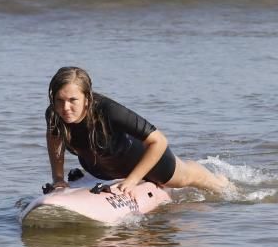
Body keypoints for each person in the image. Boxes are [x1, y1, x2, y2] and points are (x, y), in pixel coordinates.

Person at [45, 67, 231, 196]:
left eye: (72, 100)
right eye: (59, 100)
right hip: (102, 169)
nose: (65, 107)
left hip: (146, 162)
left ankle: (220, 182)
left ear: (87, 98)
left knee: (188, 177)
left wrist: (133, 180)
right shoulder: (54, 115)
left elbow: (159, 141)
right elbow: (55, 141)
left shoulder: (108, 110)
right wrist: (58, 178)